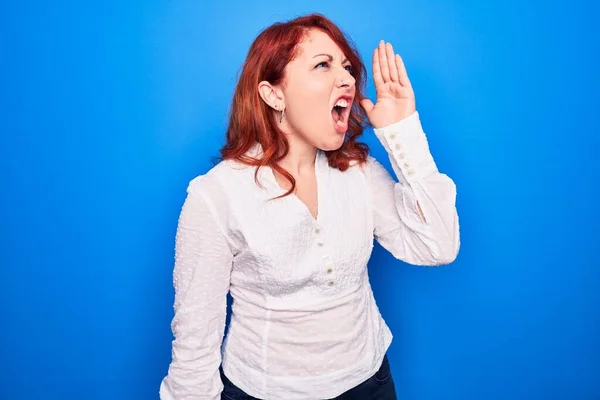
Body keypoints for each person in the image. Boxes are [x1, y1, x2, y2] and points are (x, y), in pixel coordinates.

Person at [159, 12, 460, 400]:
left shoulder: (359, 172)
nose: (348, 79)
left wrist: (402, 132)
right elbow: (195, 341)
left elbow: (438, 246)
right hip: (264, 392)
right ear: (274, 94)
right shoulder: (217, 196)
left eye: (348, 68)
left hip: (370, 383)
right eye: (323, 64)